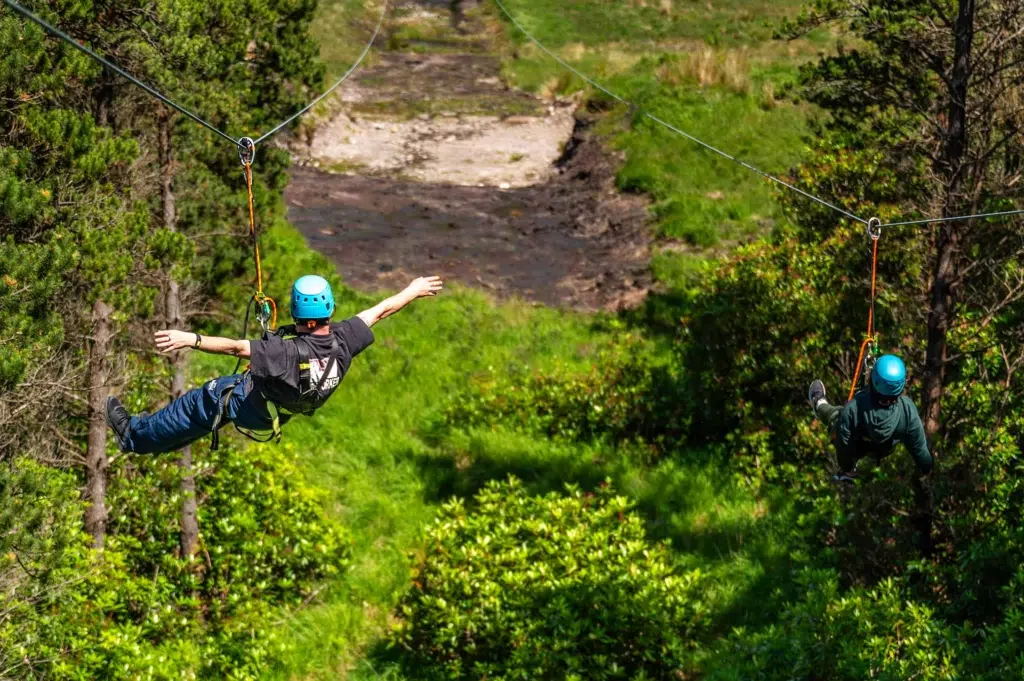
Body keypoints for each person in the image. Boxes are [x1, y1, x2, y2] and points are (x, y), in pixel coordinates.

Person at [105, 274, 444, 454]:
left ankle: (132, 435)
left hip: (251, 404)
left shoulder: (285, 354)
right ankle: (160, 443)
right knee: (203, 419)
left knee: (204, 400)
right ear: (329, 308)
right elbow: (382, 310)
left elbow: (237, 348)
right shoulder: (345, 339)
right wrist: (413, 290)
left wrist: (191, 339)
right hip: (276, 413)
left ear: (296, 311)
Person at [807, 354, 933, 483]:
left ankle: (819, 405)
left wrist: (847, 468)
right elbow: (920, 450)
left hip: (859, 447)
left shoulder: (854, 408)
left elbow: (844, 446)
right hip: (885, 449)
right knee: (907, 428)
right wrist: (927, 468)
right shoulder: (907, 410)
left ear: (872, 380)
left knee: (837, 416)